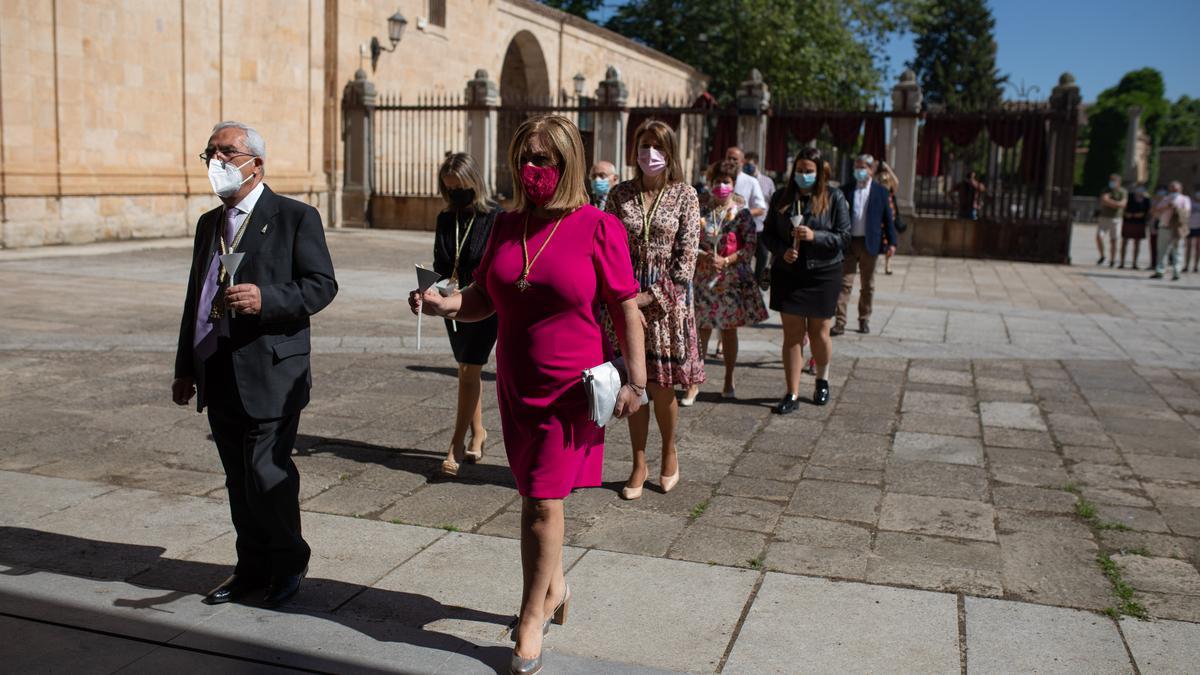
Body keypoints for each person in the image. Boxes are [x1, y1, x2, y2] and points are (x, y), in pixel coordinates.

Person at [409, 115, 645, 675]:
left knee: (541, 501)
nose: (532, 170)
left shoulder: (597, 226)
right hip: (516, 385)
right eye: (524, 159)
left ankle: (530, 618)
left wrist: (636, 382)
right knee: (537, 497)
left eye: (543, 160)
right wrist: (446, 304)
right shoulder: (505, 225)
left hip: (571, 390)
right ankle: (557, 586)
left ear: (568, 165)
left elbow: (625, 307)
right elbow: (484, 298)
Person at [172, 121, 338, 608]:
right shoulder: (210, 224)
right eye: (210, 154)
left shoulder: (294, 217)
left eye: (227, 153)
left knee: (267, 472)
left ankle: (289, 561)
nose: (217, 163)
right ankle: (251, 567)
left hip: (272, 371)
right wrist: (186, 366)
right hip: (219, 368)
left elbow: (321, 285)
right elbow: (196, 299)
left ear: (256, 164)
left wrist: (267, 297)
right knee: (238, 479)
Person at [604, 119, 704, 499]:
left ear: (670, 151)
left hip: (666, 307)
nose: (650, 154)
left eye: (658, 147)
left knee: (662, 388)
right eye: (644, 146)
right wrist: (623, 301)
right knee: (633, 385)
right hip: (626, 300)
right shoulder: (620, 194)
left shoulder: (685, 195)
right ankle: (638, 461)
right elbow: (607, 245)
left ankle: (669, 451)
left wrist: (647, 300)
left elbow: (685, 262)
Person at [762, 147, 850, 412]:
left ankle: (822, 379)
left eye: (809, 171)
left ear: (819, 172)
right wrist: (781, 251)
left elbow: (843, 238)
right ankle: (792, 392)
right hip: (788, 274)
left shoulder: (833, 197)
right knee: (792, 334)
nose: (803, 175)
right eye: (799, 170)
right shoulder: (781, 197)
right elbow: (767, 235)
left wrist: (815, 236)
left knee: (819, 331)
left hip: (823, 273)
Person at [432, 153, 501, 477]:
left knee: (470, 370)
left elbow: (497, 266)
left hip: (483, 303)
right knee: (466, 370)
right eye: (450, 189)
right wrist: (432, 287)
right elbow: (440, 263)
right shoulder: (447, 219)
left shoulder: (495, 218)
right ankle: (479, 432)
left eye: (462, 188)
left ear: (475, 183)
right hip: (451, 302)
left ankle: (456, 444)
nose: (457, 194)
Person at [689, 160, 768, 400]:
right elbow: (688, 238)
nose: (721, 186)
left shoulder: (741, 213)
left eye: (726, 182)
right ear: (710, 183)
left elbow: (750, 245)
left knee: (729, 331)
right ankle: (694, 381)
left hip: (729, 279)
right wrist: (702, 255)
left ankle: (729, 378)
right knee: (700, 330)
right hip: (703, 277)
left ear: (733, 185)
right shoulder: (699, 208)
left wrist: (728, 260)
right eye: (717, 181)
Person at [833, 154, 896, 336]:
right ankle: (840, 321)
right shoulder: (845, 190)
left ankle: (864, 319)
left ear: (871, 169)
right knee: (844, 283)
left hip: (870, 243)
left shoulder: (881, 192)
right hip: (849, 243)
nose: (859, 171)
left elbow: (888, 219)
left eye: (863, 168)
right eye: (857, 167)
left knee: (867, 285)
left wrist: (892, 242)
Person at [744, 151, 776, 288]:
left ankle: (757, 286)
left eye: (749, 164)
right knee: (745, 259)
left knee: (762, 259)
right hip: (745, 227)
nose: (747, 167)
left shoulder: (767, 182)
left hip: (762, 227)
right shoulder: (743, 181)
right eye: (745, 164)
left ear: (756, 164)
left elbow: (774, 203)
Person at [1150, 181, 1192, 281]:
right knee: (1162, 250)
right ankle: (1160, 271)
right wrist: (1166, 207)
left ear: (1180, 189)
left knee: (1177, 251)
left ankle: (1176, 272)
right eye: (1172, 189)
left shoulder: (1184, 199)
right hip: (1164, 227)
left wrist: (1176, 208)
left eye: (1176, 189)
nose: (1174, 191)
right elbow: (1155, 212)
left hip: (1176, 229)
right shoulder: (1165, 199)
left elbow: (1187, 212)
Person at [876, 161, 904, 275]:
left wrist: (888, 169)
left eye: (886, 181)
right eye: (883, 181)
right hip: (878, 221)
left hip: (889, 221)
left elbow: (896, 181)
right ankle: (874, 263)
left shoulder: (890, 193)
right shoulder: (876, 190)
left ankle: (888, 265)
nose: (885, 183)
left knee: (890, 244)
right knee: (876, 243)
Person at [1096, 174, 1127, 267]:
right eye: (1111, 181)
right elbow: (1103, 200)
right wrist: (1114, 204)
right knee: (1099, 236)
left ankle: (1112, 260)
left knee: (1114, 240)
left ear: (1119, 182)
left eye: (1114, 181)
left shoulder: (1122, 191)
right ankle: (1102, 256)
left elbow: (1122, 204)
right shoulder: (1106, 190)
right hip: (1104, 217)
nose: (1112, 183)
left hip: (1116, 218)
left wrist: (1109, 202)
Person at [1119, 185, 1150, 270]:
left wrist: (1139, 215)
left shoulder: (1146, 200)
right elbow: (1123, 207)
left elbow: (1147, 211)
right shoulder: (1130, 197)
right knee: (1124, 242)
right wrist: (1126, 214)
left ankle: (1134, 263)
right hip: (1128, 221)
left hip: (1140, 223)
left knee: (1137, 244)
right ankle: (1122, 262)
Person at [1186, 190, 1200, 273]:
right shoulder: (1190, 202)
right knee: (1188, 247)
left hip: (1199, 228)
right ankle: (1186, 265)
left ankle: (1196, 266)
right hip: (1190, 227)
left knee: (1198, 248)